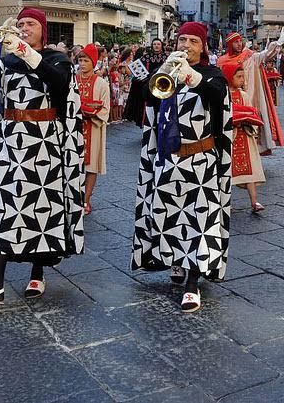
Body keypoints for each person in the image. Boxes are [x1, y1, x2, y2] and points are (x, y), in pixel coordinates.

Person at [0, 8, 84, 306]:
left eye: (30, 24)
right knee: (2, 209)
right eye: (20, 24)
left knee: (41, 210)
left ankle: (38, 272)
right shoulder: (5, 60)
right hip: (10, 141)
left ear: (43, 30)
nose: (24, 28)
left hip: (44, 142)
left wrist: (24, 51)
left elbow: (58, 83)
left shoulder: (55, 59)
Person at [132, 22, 232, 313]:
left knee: (199, 221)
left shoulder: (213, 75)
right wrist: (163, 71)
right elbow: (148, 98)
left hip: (200, 160)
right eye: (181, 40)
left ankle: (193, 282)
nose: (185, 45)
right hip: (168, 158)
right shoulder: (167, 73)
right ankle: (175, 259)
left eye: (192, 41)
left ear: (203, 47)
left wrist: (191, 76)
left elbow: (216, 97)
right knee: (169, 215)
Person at [217, 28, 284, 155]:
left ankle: (252, 154)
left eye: (240, 41)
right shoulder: (222, 61)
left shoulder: (250, 56)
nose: (239, 44)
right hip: (230, 98)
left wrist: (279, 42)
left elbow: (265, 55)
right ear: (230, 44)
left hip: (250, 97)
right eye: (236, 42)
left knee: (250, 128)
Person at [221, 59, 266, 213]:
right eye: (238, 77)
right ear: (228, 77)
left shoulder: (244, 95)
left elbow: (250, 112)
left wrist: (248, 123)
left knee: (250, 172)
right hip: (229, 138)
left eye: (242, 76)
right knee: (227, 173)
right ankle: (226, 203)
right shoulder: (222, 95)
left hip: (244, 135)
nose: (242, 80)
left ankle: (254, 202)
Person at [77, 43, 109, 215]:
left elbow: (105, 109)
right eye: (80, 60)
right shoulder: (72, 79)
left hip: (93, 128)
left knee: (91, 166)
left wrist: (91, 113)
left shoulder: (102, 84)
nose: (82, 64)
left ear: (93, 62)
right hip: (74, 129)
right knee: (74, 164)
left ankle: (86, 200)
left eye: (86, 60)